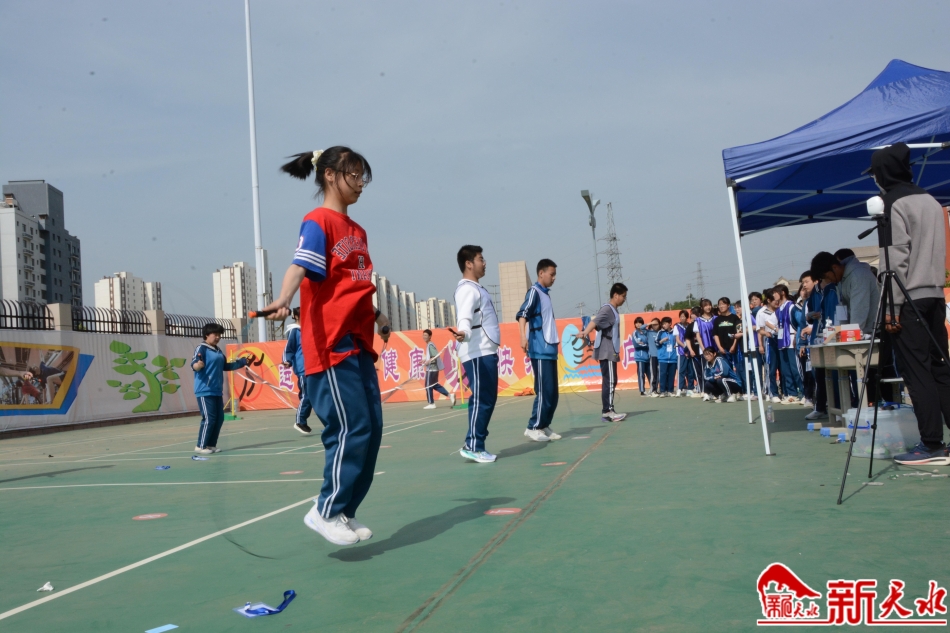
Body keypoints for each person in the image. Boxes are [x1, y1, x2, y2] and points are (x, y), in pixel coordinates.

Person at [262, 146, 388, 546]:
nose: (361, 183)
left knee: (372, 429)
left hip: (359, 342)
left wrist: (379, 317)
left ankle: (345, 511)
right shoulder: (318, 221)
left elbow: (354, 286)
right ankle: (325, 510)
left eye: (364, 176)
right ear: (330, 175)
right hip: (329, 344)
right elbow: (300, 264)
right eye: (354, 174)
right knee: (350, 426)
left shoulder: (359, 232)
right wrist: (284, 298)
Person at [866, 143, 950, 465]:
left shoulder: (891, 203)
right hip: (934, 294)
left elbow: (894, 260)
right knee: (940, 368)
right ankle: (938, 441)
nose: (874, 179)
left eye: (875, 174)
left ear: (883, 173)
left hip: (907, 296)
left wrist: (890, 310)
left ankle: (932, 444)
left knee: (918, 373)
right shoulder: (930, 200)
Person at [453, 245, 501, 462]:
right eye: (481, 259)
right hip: (476, 352)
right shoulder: (467, 289)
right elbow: (464, 316)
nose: (485, 262)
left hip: (485, 350)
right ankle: (473, 445)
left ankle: (476, 443)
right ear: (469, 264)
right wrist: (463, 332)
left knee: (488, 398)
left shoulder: (476, 288)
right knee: (482, 399)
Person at [517, 259, 562, 441]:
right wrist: (523, 336)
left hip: (550, 350)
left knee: (553, 393)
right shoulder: (534, 292)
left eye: (555, 275)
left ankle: (544, 425)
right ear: (541, 273)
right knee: (544, 390)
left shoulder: (546, 295)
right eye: (552, 274)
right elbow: (522, 314)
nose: (554, 278)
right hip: (540, 349)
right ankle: (533, 426)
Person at [192, 322, 250, 455]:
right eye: (215, 334)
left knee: (219, 419)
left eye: (219, 335)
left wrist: (242, 362)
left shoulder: (218, 350)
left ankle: (211, 445)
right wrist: (198, 365)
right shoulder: (202, 348)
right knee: (209, 418)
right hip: (204, 390)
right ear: (207, 335)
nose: (218, 337)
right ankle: (201, 446)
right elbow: (194, 364)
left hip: (217, 390)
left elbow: (226, 366)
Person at [579, 282, 628, 421]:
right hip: (607, 350)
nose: (624, 299)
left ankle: (608, 410)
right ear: (616, 295)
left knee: (610, 380)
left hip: (610, 349)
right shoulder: (607, 309)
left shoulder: (613, 310)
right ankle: (608, 411)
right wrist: (585, 332)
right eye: (623, 296)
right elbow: (595, 321)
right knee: (610, 381)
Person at [282, 307, 313, 435]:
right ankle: (300, 421)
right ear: (295, 316)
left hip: (314, 367)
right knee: (307, 395)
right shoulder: (294, 331)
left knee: (316, 396)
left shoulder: (310, 329)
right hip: (303, 369)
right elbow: (289, 349)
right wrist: (287, 360)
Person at [774, 284, 804, 404]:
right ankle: (792, 394)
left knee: (795, 368)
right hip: (782, 341)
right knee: (785, 370)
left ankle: (803, 393)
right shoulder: (778, 309)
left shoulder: (791, 306)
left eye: (775, 293)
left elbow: (798, 322)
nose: (774, 295)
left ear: (782, 293)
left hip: (791, 339)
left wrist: (796, 336)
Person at [755, 288, 782, 403]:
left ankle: (785, 392)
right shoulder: (762, 313)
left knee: (783, 368)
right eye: (775, 300)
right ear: (769, 300)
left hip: (782, 340)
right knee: (771, 367)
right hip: (770, 341)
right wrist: (761, 343)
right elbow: (759, 330)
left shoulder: (781, 310)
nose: (777, 302)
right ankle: (772, 393)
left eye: (779, 300)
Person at [712, 296, 742, 392]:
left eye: (723, 304)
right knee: (726, 371)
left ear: (728, 305)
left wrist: (733, 345)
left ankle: (740, 390)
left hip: (735, 349)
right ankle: (729, 391)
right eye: (719, 304)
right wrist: (720, 347)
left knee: (738, 369)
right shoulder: (717, 320)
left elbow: (738, 333)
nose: (721, 306)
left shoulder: (735, 318)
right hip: (723, 350)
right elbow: (715, 335)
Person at [422, 329, 455, 410]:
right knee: (435, 385)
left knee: (428, 386)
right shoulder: (429, 345)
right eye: (423, 335)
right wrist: (425, 360)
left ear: (430, 336)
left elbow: (435, 356)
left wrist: (428, 362)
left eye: (426, 335)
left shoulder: (430, 345)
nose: (424, 337)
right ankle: (450, 395)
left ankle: (431, 403)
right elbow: (431, 356)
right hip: (433, 369)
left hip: (432, 369)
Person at [674, 309, 695, 396]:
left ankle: (690, 388)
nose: (682, 318)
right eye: (681, 316)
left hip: (690, 352)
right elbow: (678, 340)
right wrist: (685, 347)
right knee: (681, 371)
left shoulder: (690, 326)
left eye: (684, 316)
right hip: (681, 352)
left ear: (687, 318)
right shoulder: (677, 326)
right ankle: (679, 388)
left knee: (690, 371)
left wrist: (689, 349)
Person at [685, 306, 705, 396]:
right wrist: (690, 350)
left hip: (705, 352)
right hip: (695, 352)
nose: (692, 315)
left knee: (706, 371)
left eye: (693, 314)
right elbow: (687, 339)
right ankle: (701, 390)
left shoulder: (704, 323)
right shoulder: (690, 326)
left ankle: (709, 390)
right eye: (692, 314)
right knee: (698, 372)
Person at [655, 317, 677, 396]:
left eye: (665, 324)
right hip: (663, 358)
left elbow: (679, 340)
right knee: (663, 375)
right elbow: (656, 343)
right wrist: (662, 340)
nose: (663, 325)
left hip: (673, 358)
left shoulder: (675, 332)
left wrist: (676, 345)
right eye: (662, 324)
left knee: (671, 375)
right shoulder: (660, 332)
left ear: (670, 323)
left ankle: (670, 391)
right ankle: (662, 391)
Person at [631, 317, 650, 395]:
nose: (638, 324)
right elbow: (637, 344)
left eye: (640, 323)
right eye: (637, 323)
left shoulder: (646, 332)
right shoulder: (635, 333)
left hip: (648, 356)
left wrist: (644, 343)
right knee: (641, 374)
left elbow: (650, 342)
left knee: (650, 374)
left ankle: (653, 389)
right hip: (640, 357)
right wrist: (646, 345)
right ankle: (642, 390)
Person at [646, 317, 661, 397]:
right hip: (653, 355)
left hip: (661, 356)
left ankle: (656, 389)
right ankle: (652, 390)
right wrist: (650, 323)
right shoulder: (649, 332)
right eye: (653, 324)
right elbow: (641, 328)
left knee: (659, 373)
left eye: (656, 324)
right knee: (653, 373)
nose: (655, 326)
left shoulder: (661, 332)